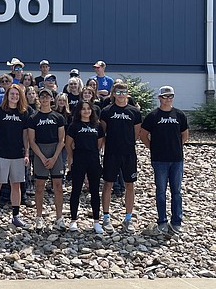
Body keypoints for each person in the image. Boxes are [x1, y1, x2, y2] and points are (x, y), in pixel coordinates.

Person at [139, 86, 189, 236]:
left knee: (177, 192)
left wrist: (177, 147)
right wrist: (152, 148)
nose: (167, 99)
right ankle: (162, 221)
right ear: (159, 98)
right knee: (161, 191)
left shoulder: (179, 115)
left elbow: (184, 134)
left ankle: (176, 221)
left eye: (170, 96)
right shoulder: (153, 116)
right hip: (159, 160)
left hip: (176, 159)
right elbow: (143, 134)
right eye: (165, 97)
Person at [0, 84, 31, 229]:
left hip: (17, 154)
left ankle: (16, 216)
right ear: (7, 95)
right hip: (1, 154)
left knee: (16, 184)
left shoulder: (24, 113)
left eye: (17, 95)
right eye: (12, 94)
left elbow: (26, 135)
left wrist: (26, 153)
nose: (14, 97)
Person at [99, 84, 142, 233]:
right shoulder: (106, 111)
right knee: (108, 184)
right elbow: (103, 132)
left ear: (127, 94)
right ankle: (106, 217)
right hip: (111, 153)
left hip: (129, 153)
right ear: (113, 94)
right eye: (118, 92)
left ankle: (128, 218)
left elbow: (136, 133)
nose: (121, 94)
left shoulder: (134, 112)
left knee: (130, 185)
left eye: (123, 92)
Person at [28, 88, 66, 230]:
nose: (44, 99)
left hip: (56, 151)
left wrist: (55, 157)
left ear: (51, 99)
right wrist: (43, 157)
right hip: (40, 152)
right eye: (42, 97)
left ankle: (59, 218)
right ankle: (38, 217)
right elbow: (32, 141)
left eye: (47, 97)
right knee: (39, 187)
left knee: (58, 187)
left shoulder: (58, 117)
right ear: (39, 99)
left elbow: (62, 139)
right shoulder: (34, 118)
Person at [65, 100, 105, 233]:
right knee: (76, 190)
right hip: (79, 160)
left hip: (93, 160)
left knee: (94, 191)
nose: (86, 111)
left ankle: (96, 222)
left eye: (88, 108)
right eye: (83, 109)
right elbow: (68, 144)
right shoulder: (74, 126)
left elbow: (99, 144)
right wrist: (70, 159)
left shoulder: (97, 126)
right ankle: (73, 220)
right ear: (79, 111)